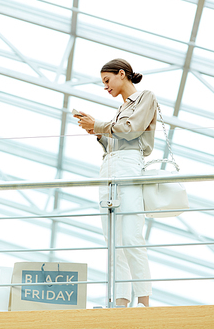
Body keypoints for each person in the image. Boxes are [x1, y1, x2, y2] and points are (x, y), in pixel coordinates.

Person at [74, 58, 158, 307]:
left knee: (131, 235)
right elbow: (117, 137)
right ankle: (121, 301)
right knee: (113, 240)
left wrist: (100, 125)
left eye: (107, 81)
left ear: (122, 74)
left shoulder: (145, 97)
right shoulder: (120, 111)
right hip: (110, 167)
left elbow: (131, 130)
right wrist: (97, 131)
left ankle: (143, 301)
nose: (106, 87)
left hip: (129, 166)